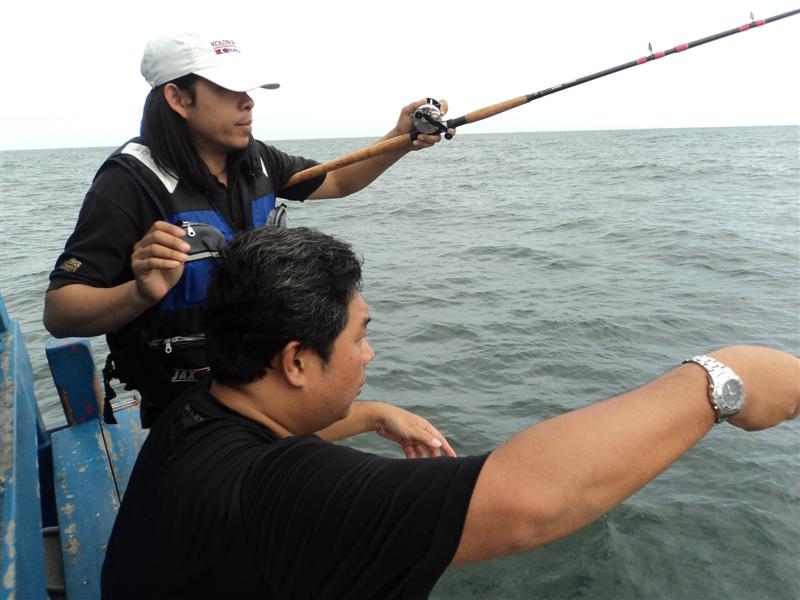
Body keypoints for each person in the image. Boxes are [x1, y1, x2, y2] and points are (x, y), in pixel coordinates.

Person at [100, 226, 799, 600]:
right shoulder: (281, 496)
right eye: (359, 335)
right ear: (295, 361)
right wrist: (720, 380)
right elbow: (531, 501)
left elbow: (276, 427)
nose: (369, 354)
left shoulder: (196, 410)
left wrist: (371, 413)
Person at [43, 32, 452, 427]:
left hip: (266, 386)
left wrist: (400, 139)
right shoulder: (127, 183)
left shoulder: (256, 159)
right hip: (185, 404)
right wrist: (139, 291)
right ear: (178, 98)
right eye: (229, 89)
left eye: (249, 89)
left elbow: (339, 181)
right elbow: (61, 312)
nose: (248, 102)